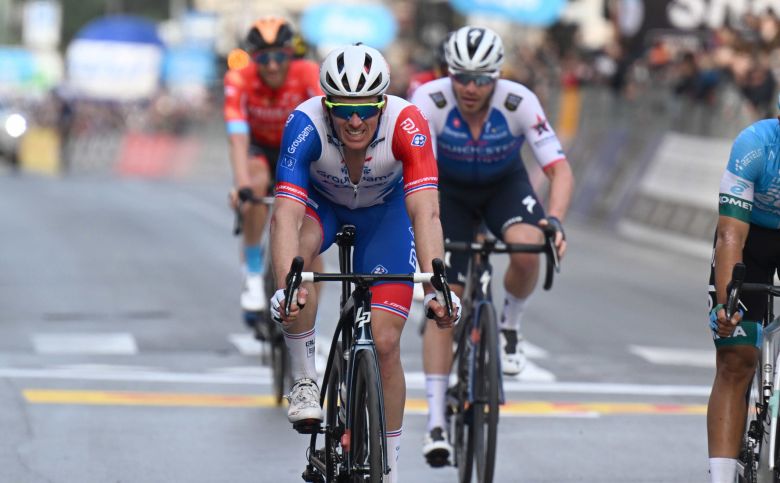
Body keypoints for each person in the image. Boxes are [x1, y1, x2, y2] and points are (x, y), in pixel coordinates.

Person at [269, 43, 462, 483]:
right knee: (299, 263)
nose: (354, 121)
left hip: (385, 216)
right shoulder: (304, 124)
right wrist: (285, 288)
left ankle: (388, 469)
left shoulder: (407, 123)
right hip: (323, 208)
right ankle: (304, 378)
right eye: (342, 110)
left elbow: (426, 212)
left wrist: (436, 288)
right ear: (327, 106)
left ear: (382, 104)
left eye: (365, 110)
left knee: (386, 343)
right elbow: (286, 215)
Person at [410, 25, 573, 466]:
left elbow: (559, 169)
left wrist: (555, 220)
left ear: (497, 77)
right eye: (461, 76)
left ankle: (510, 327)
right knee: (444, 301)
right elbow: (415, 172)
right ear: (449, 72)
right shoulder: (429, 100)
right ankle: (436, 422)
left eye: (481, 79)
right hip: (448, 192)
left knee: (528, 247)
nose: (470, 87)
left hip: (504, 187)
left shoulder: (519, 102)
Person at [223, 16, 322, 315]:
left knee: (312, 236)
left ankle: (309, 318)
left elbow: (327, 125)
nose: (273, 66)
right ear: (254, 59)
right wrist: (241, 186)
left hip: (298, 147)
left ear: (291, 54)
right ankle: (253, 273)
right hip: (259, 148)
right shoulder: (239, 79)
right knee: (254, 187)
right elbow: (238, 137)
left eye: (280, 57)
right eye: (264, 59)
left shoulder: (307, 72)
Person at [706, 113, 780, 482]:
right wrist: (727, 305)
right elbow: (730, 236)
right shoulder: (756, 145)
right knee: (736, 357)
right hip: (750, 239)